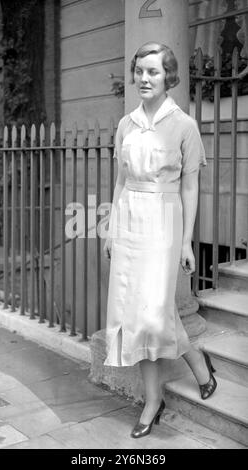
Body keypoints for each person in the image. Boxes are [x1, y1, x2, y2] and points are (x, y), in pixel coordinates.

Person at [103, 42, 217, 439]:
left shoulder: (183, 124)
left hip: (164, 222)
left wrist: (186, 241)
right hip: (130, 220)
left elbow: (190, 186)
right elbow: (120, 179)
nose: (144, 78)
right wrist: (112, 227)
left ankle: (193, 367)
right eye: (139, 71)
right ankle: (156, 397)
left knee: (153, 315)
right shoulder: (126, 123)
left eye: (153, 71)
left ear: (169, 76)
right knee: (138, 316)